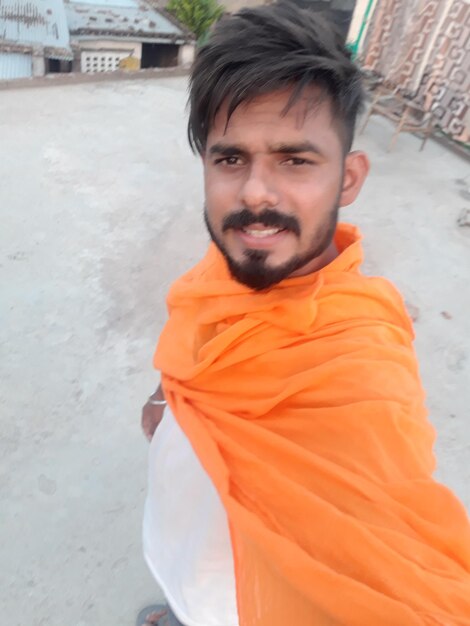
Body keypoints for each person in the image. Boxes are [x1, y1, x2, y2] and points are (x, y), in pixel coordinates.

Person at [138, 3, 470, 626]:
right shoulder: (221, 274)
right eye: (230, 159)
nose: (256, 193)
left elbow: (404, 580)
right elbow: (193, 346)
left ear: (348, 179)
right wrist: (167, 397)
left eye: (295, 161)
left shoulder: (360, 369)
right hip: (186, 550)